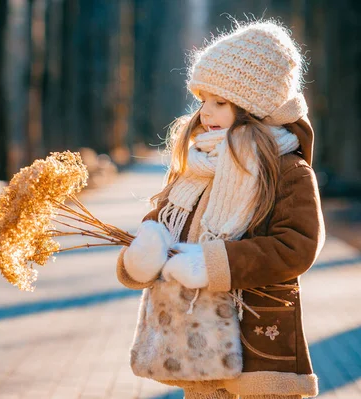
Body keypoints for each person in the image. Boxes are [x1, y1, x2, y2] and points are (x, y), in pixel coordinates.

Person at [116, 20, 325, 399]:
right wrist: (142, 252)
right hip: (198, 347)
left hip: (258, 341)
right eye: (202, 100)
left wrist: (211, 264)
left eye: (220, 102)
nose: (205, 113)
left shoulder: (286, 169)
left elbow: (297, 245)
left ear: (252, 107)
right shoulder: (198, 164)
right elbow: (165, 220)